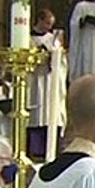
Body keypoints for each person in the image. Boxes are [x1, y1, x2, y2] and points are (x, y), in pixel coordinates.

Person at [27, 8, 67, 160]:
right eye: (47, 23)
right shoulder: (27, 38)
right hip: (35, 82)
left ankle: (51, 148)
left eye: (51, 24)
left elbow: (62, 62)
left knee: (51, 113)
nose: (49, 27)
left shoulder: (54, 39)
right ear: (40, 20)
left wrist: (54, 56)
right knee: (35, 114)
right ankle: (33, 149)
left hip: (50, 83)